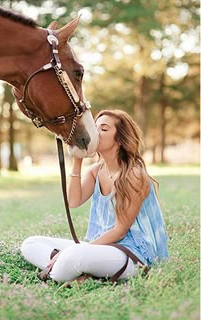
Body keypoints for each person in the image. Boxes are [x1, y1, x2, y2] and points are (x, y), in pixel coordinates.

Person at [21, 109, 168, 284]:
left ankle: (62, 271)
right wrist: (77, 161)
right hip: (100, 247)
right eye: (95, 127)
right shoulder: (96, 171)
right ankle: (77, 271)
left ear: (120, 140)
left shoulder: (133, 175)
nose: (95, 132)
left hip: (131, 254)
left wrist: (76, 251)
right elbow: (73, 202)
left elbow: (119, 231)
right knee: (31, 243)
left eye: (103, 129)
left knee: (74, 255)